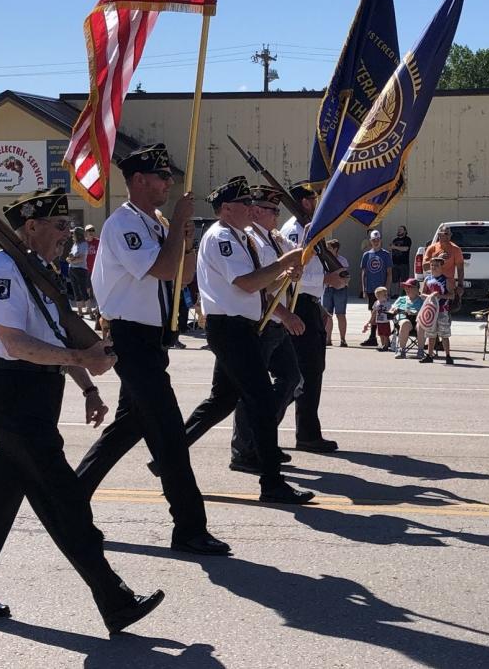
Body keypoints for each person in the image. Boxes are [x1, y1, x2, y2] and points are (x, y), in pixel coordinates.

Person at [0, 186, 164, 632]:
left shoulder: (39, 271)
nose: (67, 234)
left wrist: (86, 387)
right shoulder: (3, 269)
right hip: (12, 393)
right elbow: (14, 342)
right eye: (60, 226)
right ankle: (113, 597)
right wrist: (83, 360)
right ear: (31, 227)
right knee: (63, 499)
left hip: (37, 395)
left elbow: (54, 333)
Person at [75, 144, 230, 556]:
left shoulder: (155, 224)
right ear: (139, 180)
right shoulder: (123, 224)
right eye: (161, 177)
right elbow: (162, 269)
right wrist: (178, 223)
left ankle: (68, 501)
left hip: (151, 339)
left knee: (128, 427)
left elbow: (181, 274)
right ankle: (189, 527)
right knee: (169, 435)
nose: (168, 184)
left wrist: (186, 239)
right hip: (129, 337)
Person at [182, 176, 313, 504]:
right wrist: (283, 265)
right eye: (244, 204)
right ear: (226, 209)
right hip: (230, 328)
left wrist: (284, 274)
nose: (250, 208)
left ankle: (168, 454)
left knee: (222, 400)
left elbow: (260, 282)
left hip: (242, 327)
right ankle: (271, 482)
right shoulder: (221, 237)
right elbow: (244, 282)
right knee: (262, 401)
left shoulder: (243, 238)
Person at [226, 184, 307, 474]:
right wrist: (286, 315)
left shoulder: (275, 239)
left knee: (290, 379)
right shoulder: (252, 242)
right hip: (264, 322)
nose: (277, 215)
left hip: (274, 323)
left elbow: (288, 273)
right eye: (273, 210)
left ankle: (263, 440)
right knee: (253, 389)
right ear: (258, 211)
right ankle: (245, 449)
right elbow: (260, 287)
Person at [281, 183, 348, 453]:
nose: (317, 202)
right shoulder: (294, 231)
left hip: (308, 304)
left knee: (311, 372)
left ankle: (308, 432)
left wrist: (318, 299)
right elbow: (291, 272)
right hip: (296, 305)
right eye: (313, 198)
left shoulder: (309, 228)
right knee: (301, 374)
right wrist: (326, 279)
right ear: (304, 202)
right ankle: (259, 431)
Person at [359, 230, 394, 344]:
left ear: (381, 240)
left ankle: (385, 339)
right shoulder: (366, 255)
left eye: (377, 240)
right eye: (373, 240)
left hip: (381, 290)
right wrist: (364, 289)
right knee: (373, 312)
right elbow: (364, 273)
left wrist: (387, 289)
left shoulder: (385, 255)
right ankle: (373, 337)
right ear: (370, 241)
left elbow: (389, 273)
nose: (375, 242)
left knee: (383, 313)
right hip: (371, 289)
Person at [419, 256, 455, 365]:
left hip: (442, 310)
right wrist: (429, 296)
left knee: (444, 334)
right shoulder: (427, 279)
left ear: (441, 267)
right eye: (432, 265)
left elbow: (452, 295)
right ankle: (429, 355)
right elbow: (422, 294)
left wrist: (440, 296)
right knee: (431, 334)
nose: (434, 267)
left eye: (436, 265)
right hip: (431, 310)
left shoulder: (446, 280)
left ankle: (448, 355)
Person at [422, 226, 465, 310]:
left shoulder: (455, 249)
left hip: (448, 285)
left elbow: (460, 268)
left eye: (449, 234)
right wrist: (437, 257)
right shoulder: (432, 248)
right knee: (432, 310)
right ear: (439, 235)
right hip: (433, 284)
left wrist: (460, 285)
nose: (448, 236)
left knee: (445, 310)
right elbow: (425, 267)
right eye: (445, 233)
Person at [321, 238, 349, 347]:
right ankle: (328, 339)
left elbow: (346, 276)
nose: (327, 250)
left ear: (336, 249)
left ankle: (343, 339)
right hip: (327, 289)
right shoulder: (324, 260)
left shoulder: (342, 260)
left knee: (340, 314)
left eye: (329, 248)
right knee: (328, 315)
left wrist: (340, 283)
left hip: (340, 289)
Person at [388, 278, 424, 359]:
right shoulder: (401, 299)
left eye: (409, 287)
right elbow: (391, 310)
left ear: (416, 289)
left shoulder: (422, 300)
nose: (406, 289)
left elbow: (426, 313)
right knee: (405, 323)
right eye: (405, 287)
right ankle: (401, 350)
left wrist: (416, 312)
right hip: (403, 321)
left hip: (417, 320)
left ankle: (420, 351)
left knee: (421, 325)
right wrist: (394, 310)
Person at [362, 286, 392, 351]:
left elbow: (391, 311)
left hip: (385, 321)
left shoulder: (388, 303)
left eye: (385, 295)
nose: (378, 297)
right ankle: (383, 344)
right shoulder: (376, 303)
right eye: (377, 296)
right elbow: (374, 312)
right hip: (379, 321)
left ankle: (386, 345)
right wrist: (370, 321)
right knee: (380, 334)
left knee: (386, 334)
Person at [84, 225, 101, 319]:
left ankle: (97, 307)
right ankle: (88, 307)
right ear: (85, 232)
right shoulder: (83, 243)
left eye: (92, 230)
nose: (90, 232)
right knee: (87, 289)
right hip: (86, 269)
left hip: (96, 269)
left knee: (95, 289)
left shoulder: (98, 242)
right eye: (88, 230)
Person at [390, 225, 412, 295]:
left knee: (404, 280)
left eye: (401, 229)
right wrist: (392, 247)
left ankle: (403, 294)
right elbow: (391, 249)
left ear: (405, 231)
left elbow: (406, 249)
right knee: (395, 280)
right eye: (398, 229)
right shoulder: (395, 240)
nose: (399, 231)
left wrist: (394, 247)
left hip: (404, 263)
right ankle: (395, 294)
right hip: (395, 263)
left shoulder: (407, 239)